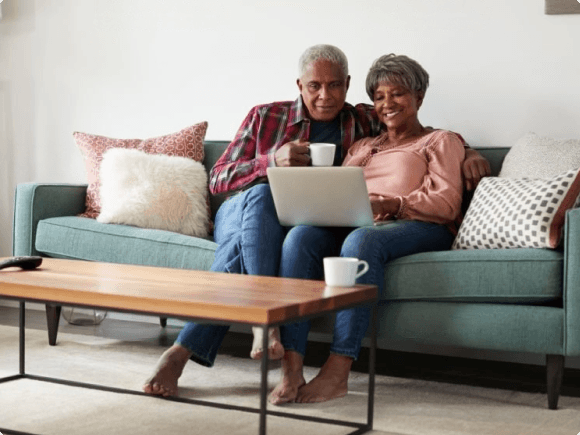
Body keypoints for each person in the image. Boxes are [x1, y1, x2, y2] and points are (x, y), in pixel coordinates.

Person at [143, 45, 489, 398]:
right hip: (244, 207)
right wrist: (270, 163)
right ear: (300, 85)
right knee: (264, 201)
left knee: (299, 237)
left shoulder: (362, 123)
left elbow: (430, 137)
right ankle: (268, 323)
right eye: (315, 86)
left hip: (326, 222)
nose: (325, 95)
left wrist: (470, 152)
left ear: (347, 85)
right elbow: (217, 179)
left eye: (335, 86)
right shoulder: (269, 117)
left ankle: (222, 353)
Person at [268, 53, 468, 405]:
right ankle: (292, 363)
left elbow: (447, 203)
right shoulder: (361, 146)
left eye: (398, 94)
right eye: (379, 97)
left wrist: (391, 204)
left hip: (419, 226)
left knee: (362, 239)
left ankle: (338, 369)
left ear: (419, 97)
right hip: (360, 223)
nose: (387, 104)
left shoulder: (440, 141)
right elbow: (339, 191)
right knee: (300, 236)